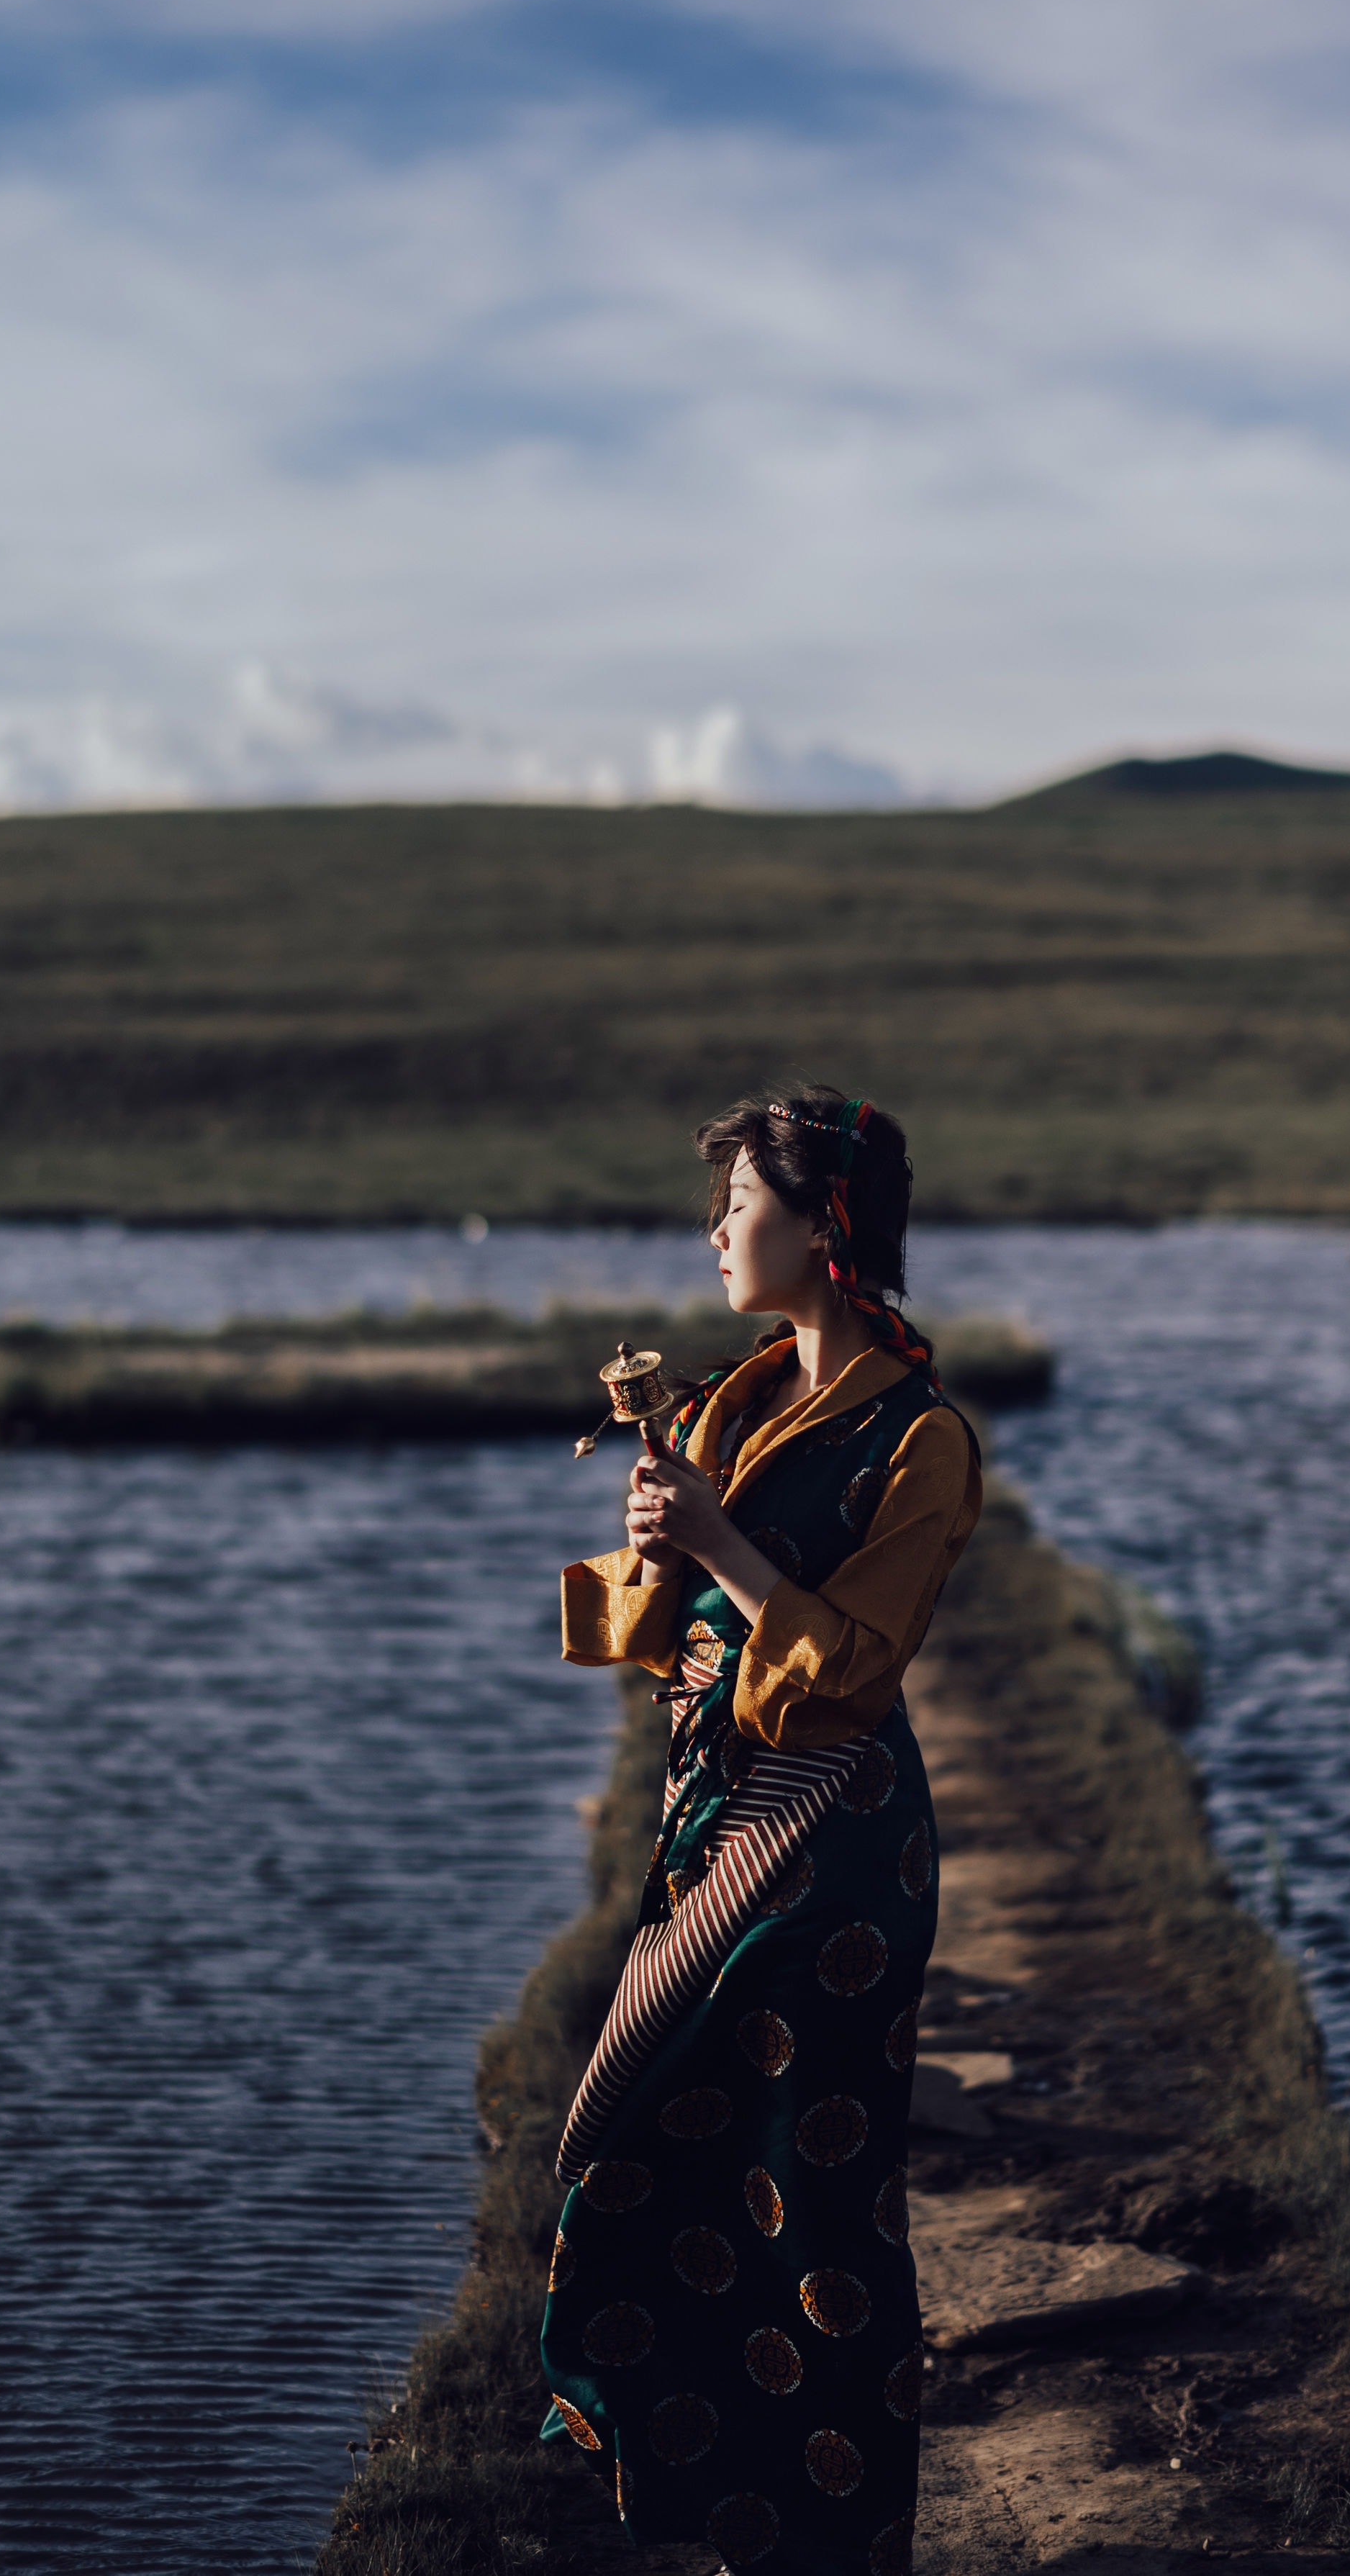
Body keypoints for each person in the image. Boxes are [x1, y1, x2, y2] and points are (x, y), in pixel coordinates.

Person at [540, 1084, 982, 2576]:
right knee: (674, 2159)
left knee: (824, 2209)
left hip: (836, 1854)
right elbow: (675, 1644)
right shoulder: (733, 1400)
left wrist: (722, 1541)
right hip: (711, 1826)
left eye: (741, 1209)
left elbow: (852, 1674)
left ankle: (847, 2542)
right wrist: (654, 1551)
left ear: (825, 1227)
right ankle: (723, 2514)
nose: (717, 1232)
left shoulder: (925, 1444)